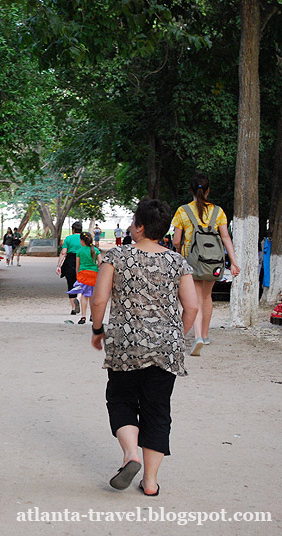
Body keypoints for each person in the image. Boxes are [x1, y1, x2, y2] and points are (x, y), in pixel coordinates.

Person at [90, 198, 198, 497]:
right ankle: (150, 482)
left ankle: (130, 455)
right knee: (157, 408)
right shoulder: (178, 261)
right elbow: (192, 307)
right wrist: (176, 335)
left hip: (126, 343)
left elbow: (99, 300)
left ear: (138, 226)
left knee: (121, 398)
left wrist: (98, 330)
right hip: (167, 346)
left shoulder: (117, 257)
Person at [172, 172, 241, 356]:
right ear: (208, 190)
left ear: (191, 190)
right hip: (213, 261)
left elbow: (177, 240)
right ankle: (205, 333)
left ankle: (197, 337)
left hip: (192, 260)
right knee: (206, 296)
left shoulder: (183, 211)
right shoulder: (218, 212)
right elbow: (226, 237)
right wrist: (233, 262)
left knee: (194, 297)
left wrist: (178, 251)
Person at [67, 232, 101, 324]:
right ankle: (92, 315)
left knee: (84, 296)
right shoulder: (95, 250)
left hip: (83, 274)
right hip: (94, 274)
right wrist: (96, 267)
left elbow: (77, 265)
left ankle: (83, 317)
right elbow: (100, 263)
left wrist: (77, 275)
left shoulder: (79, 251)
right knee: (92, 296)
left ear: (82, 240)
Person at [56, 221, 84, 315]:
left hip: (70, 262)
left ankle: (73, 308)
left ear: (73, 229)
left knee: (71, 284)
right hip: (82, 262)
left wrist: (59, 265)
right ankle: (79, 298)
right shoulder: (84, 238)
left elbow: (63, 253)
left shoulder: (68, 239)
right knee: (82, 283)